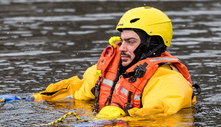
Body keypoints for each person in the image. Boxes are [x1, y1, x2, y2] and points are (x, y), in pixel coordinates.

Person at [33, 6, 197, 119]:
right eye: (122, 41)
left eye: (130, 42)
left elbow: (161, 117)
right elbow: (77, 92)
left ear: (151, 45)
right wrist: (33, 99)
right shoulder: (106, 69)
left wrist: (122, 119)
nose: (121, 48)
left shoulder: (170, 83)